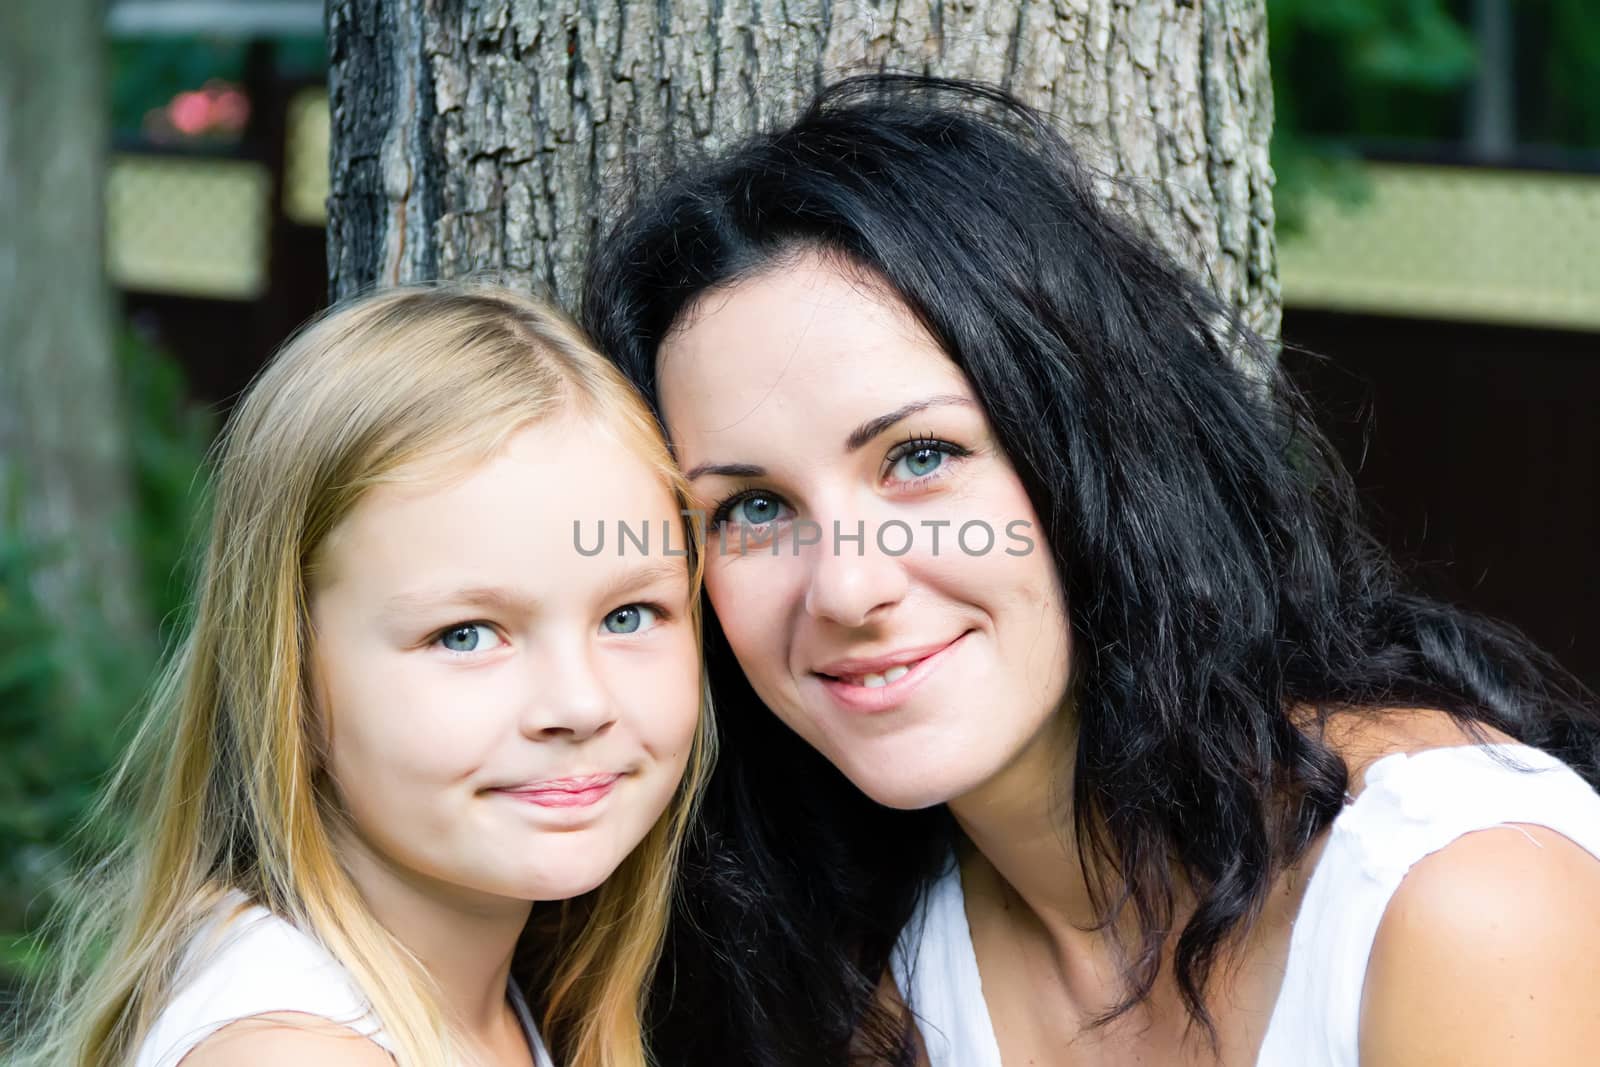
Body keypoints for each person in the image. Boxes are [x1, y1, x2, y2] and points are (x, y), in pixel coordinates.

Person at [582, 75, 1600, 1066]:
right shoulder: (871, 965)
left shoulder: (1462, 899)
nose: (847, 588)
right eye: (753, 508)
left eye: (921, 456)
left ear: (1088, 449)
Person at [12, 285, 712, 1067]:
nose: (580, 704)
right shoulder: (288, 1050)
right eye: (466, 633)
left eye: (629, 616)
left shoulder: (498, 997)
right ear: (287, 677)